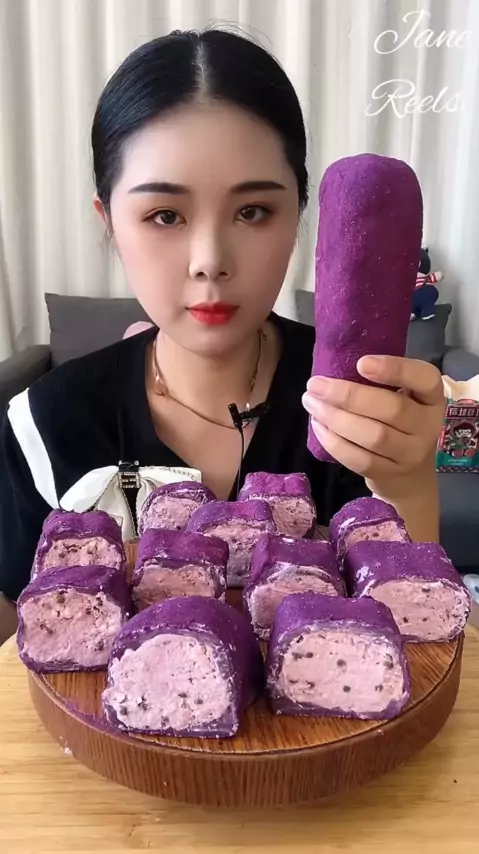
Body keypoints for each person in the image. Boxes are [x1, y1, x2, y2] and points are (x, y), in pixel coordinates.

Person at [0, 29, 445, 640]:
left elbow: (417, 644)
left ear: (299, 214)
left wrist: (408, 483)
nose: (210, 260)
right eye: (165, 215)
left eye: (253, 211)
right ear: (109, 223)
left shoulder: (354, 407)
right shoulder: (49, 423)